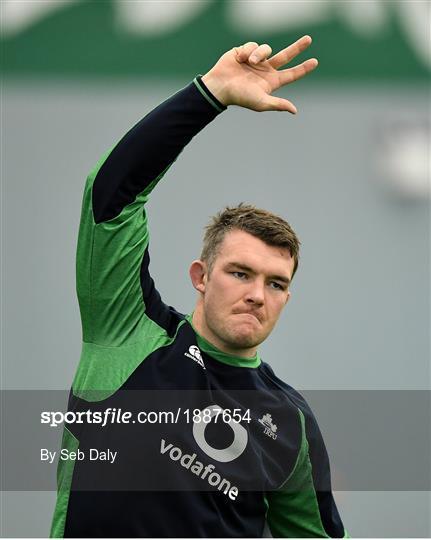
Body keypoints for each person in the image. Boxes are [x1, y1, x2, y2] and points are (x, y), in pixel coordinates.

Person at [50, 36, 348, 538]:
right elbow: (111, 196)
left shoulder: (291, 423)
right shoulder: (128, 331)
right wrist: (210, 93)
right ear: (201, 276)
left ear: (286, 299)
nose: (257, 293)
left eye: (276, 283)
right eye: (239, 272)